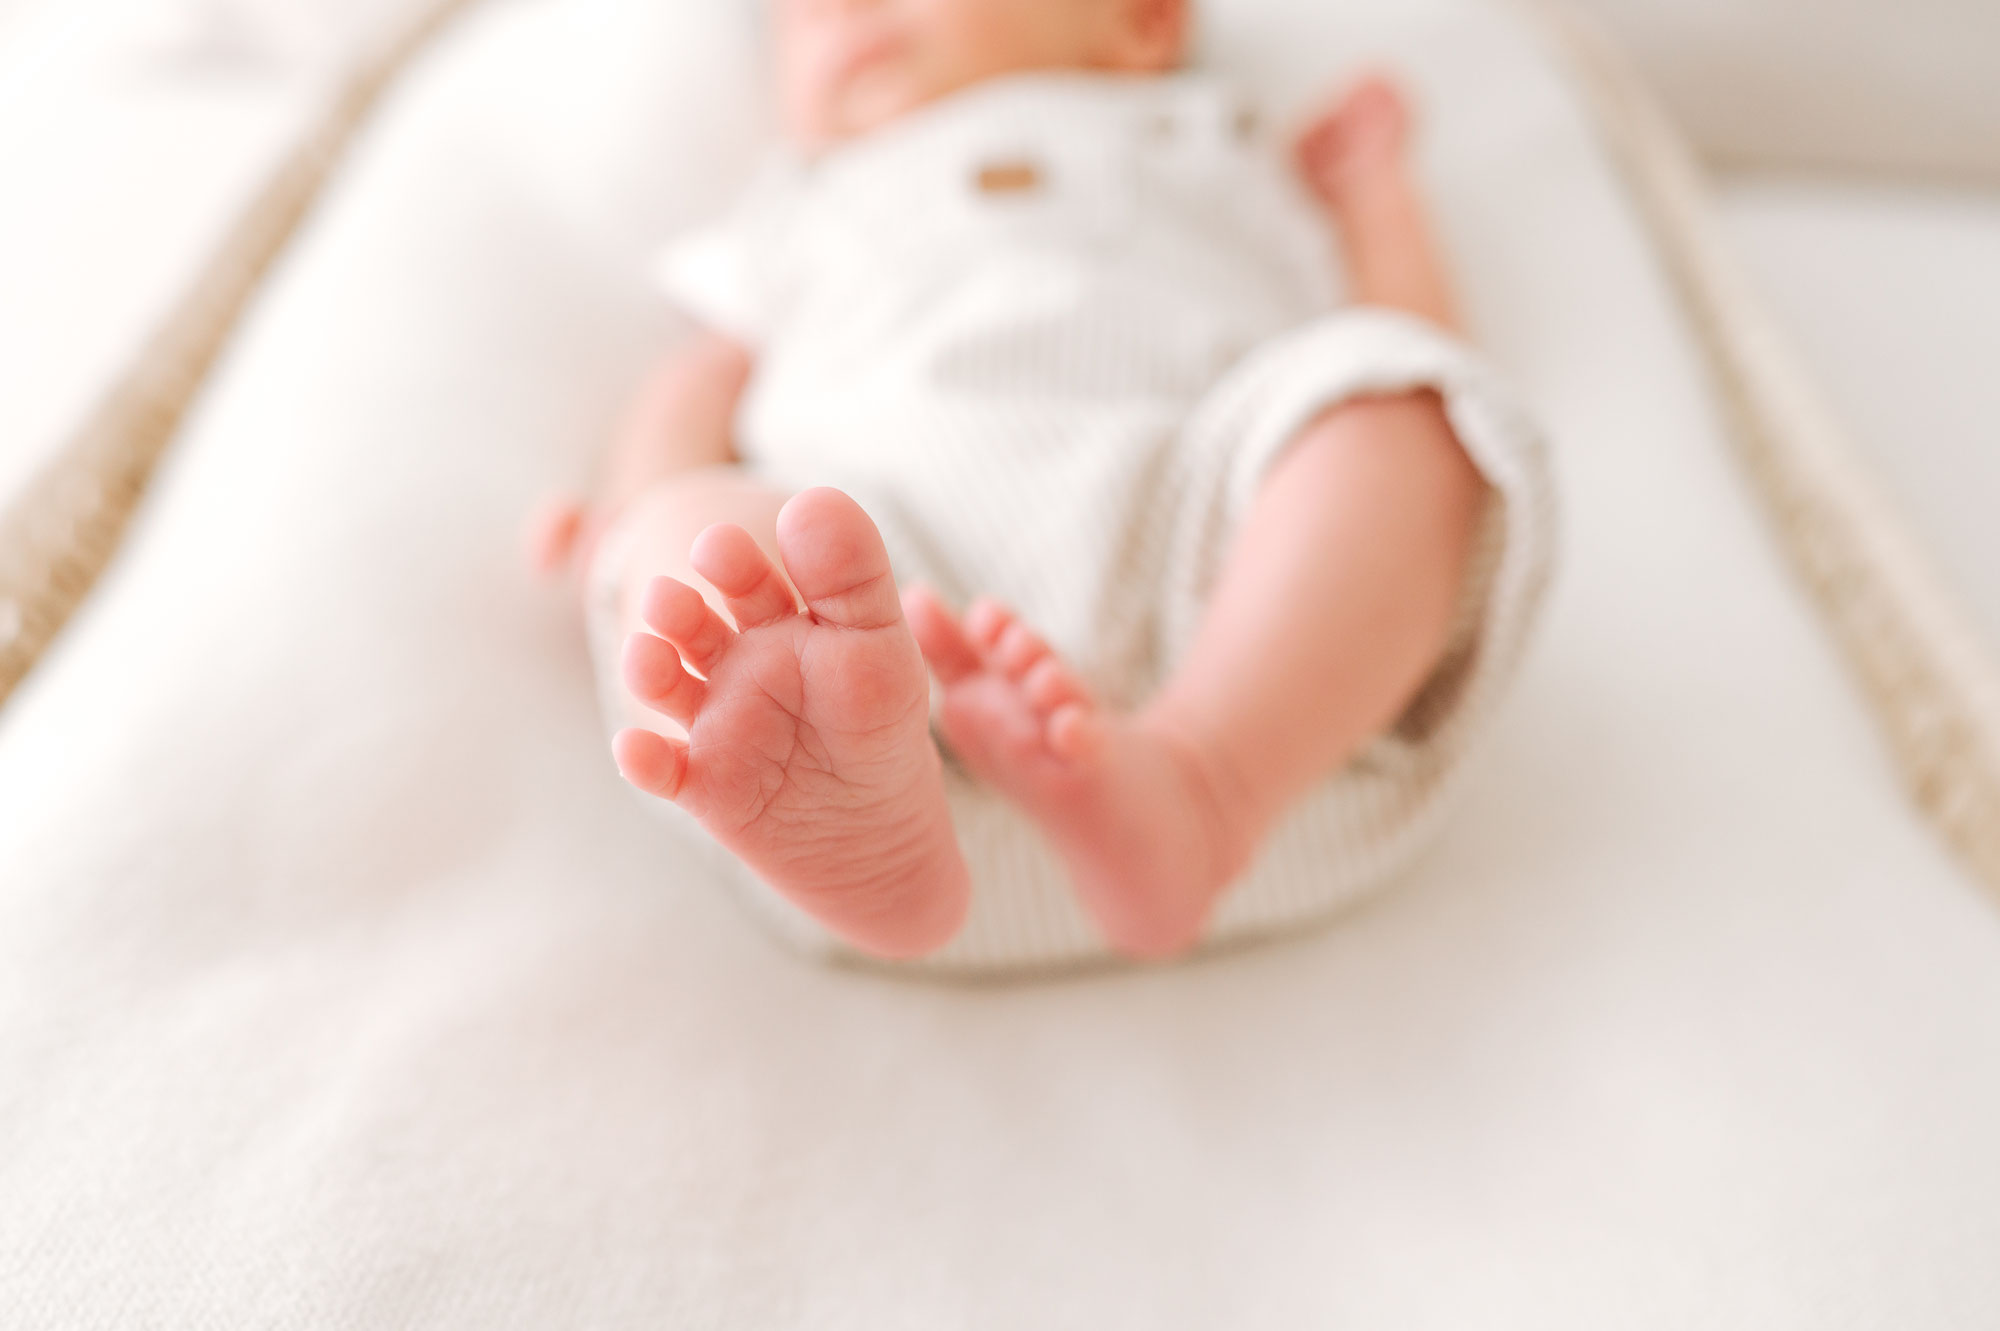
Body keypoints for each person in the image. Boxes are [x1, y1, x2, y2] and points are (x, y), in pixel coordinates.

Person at [531, 0, 1552, 965]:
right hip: (869, 600)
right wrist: (633, 525)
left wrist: (1373, 195)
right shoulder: (792, 214)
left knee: (1404, 407)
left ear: (1138, 20)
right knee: (701, 536)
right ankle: (865, 821)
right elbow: (695, 384)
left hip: (1216, 599)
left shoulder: (1218, 152)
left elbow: (1405, 350)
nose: (836, 8)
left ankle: (1200, 788)